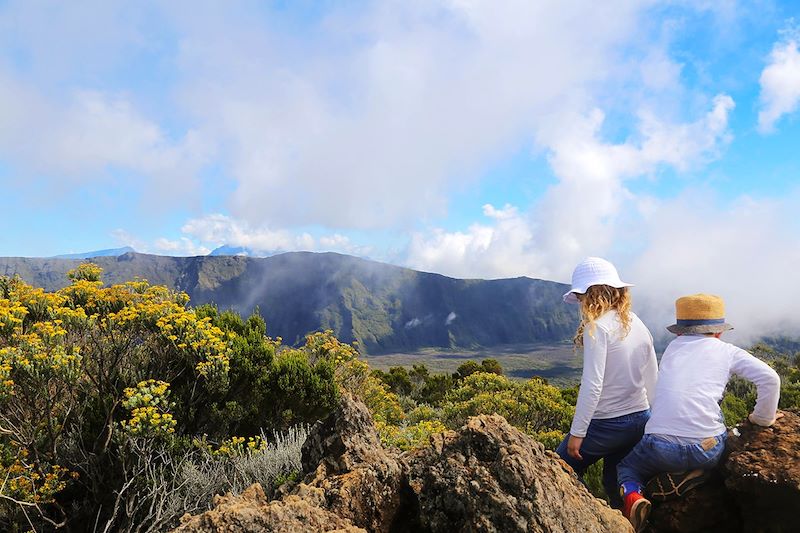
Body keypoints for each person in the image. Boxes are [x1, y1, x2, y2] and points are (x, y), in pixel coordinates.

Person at [617, 294, 781, 532]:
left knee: (627, 468)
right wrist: (762, 419)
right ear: (719, 331)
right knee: (724, 431)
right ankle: (701, 473)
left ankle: (633, 496)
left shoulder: (673, 348)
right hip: (707, 448)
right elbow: (770, 379)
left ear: (679, 331)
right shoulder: (727, 351)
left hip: (659, 447)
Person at [556, 257, 658, 509]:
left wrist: (578, 433)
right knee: (614, 480)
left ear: (590, 295)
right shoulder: (636, 322)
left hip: (607, 424)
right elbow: (652, 374)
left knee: (556, 468)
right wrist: (655, 418)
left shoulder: (597, 328)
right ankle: (628, 513)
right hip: (640, 418)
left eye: (580, 296)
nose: (579, 303)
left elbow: (593, 384)